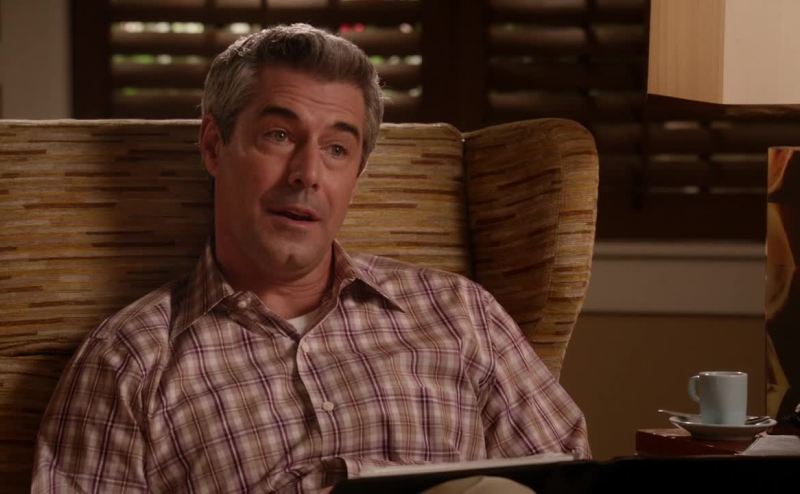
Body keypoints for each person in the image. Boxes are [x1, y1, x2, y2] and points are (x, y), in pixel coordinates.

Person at [32, 24, 589, 493]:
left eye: (337, 149)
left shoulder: (461, 315)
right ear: (213, 145)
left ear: (356, 175)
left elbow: (571, 477)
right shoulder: (127, 362)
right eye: (279, 135)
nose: (307, 174)